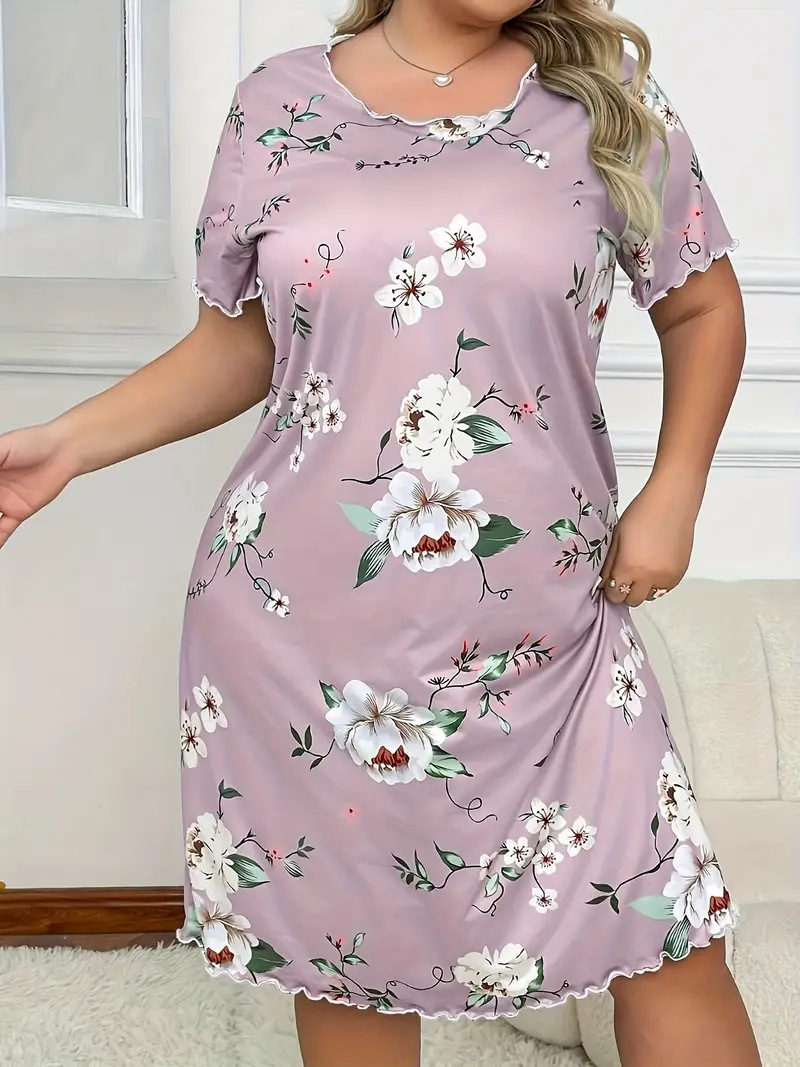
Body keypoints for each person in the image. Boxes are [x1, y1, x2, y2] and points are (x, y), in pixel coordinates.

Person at [0, 1, 762, 1065]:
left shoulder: (605, 100)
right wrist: (66, 444)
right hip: (302, 628)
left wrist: (675, 490)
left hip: (551, 628)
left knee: (666, 928)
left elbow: (701, 305)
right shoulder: (278, 103)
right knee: (347, 957)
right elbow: (241, 346)